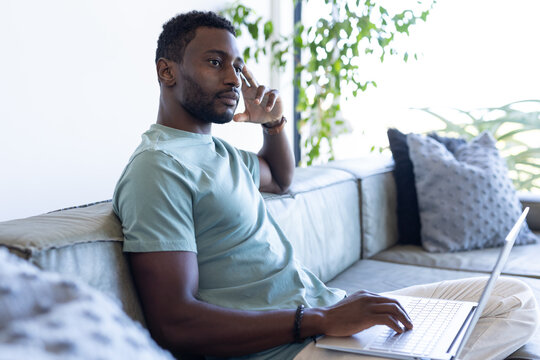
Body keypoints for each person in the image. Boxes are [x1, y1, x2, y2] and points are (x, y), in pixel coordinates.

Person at [113, 10, 538, 360]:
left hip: (325, 312)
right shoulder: (159, 168)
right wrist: (316, 321)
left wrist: (274, 124)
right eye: (215, 62)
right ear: (167, 71)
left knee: (516, 298)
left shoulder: (219, 155)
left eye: (237, 66)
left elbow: (280, 178)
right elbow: (175, 323)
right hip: (294, 345)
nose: (233, 79)